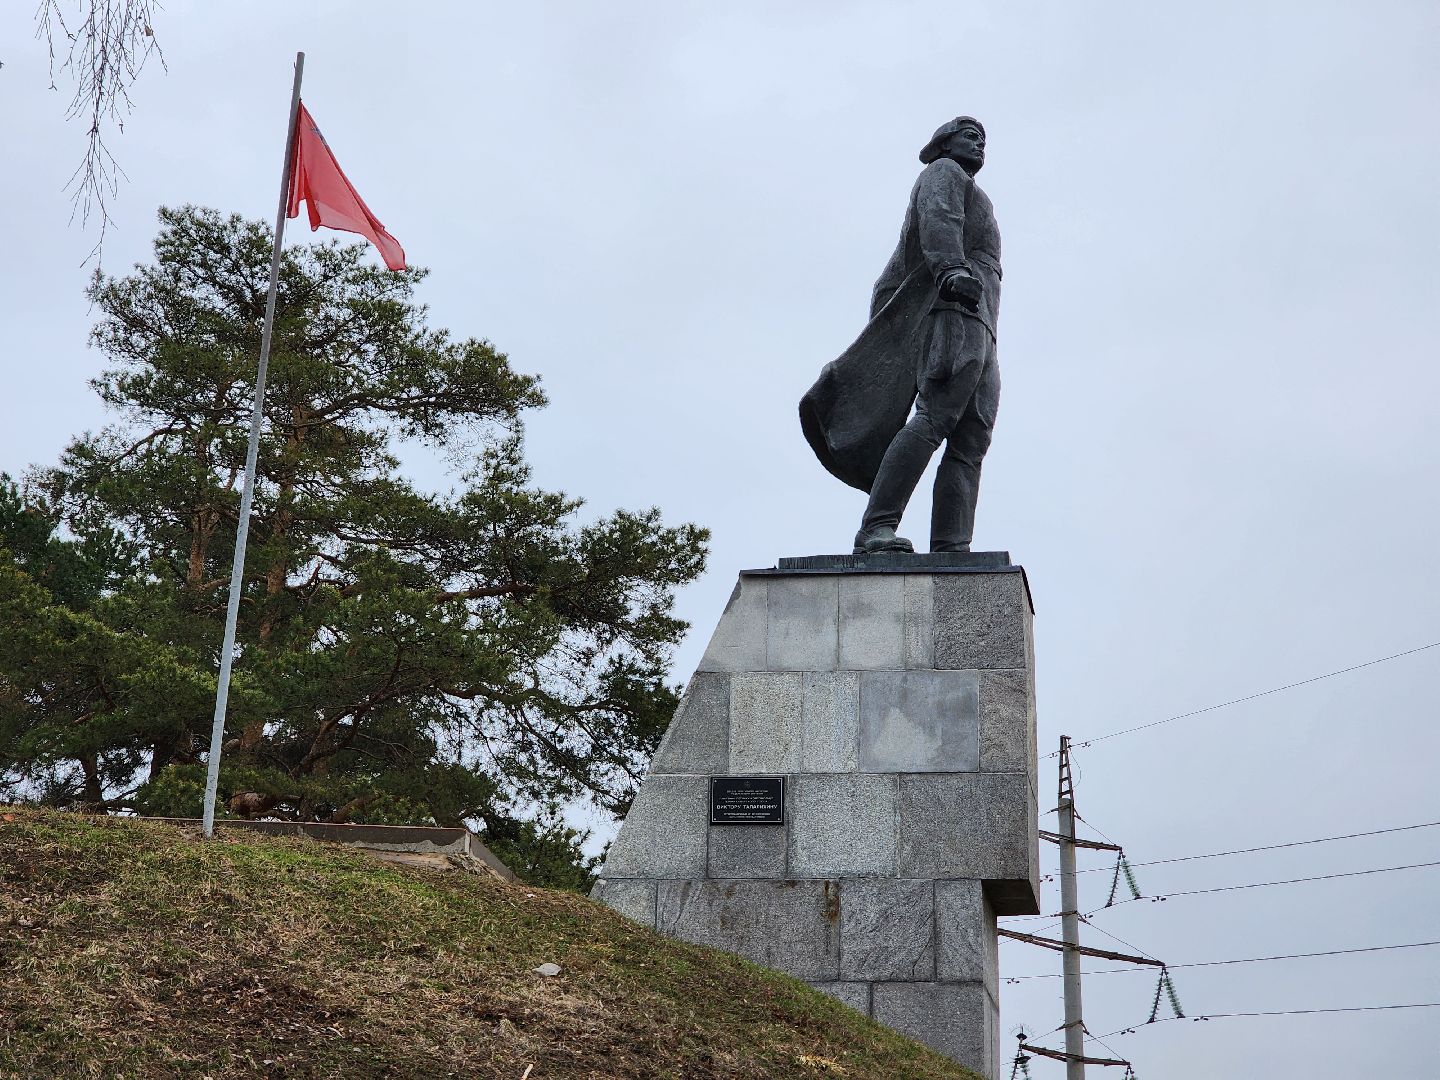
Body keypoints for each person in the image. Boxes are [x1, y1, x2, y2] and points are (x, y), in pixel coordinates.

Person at [799, 116, 1002, 554]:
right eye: (970, 135)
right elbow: (939, 220)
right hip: (953, 307)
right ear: (944, 143)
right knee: (934, 418)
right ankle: (876, 529)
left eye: (985, 138)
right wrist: (951, 270)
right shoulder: (942, 173)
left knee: (973, 436)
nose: (980, 143)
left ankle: (952, 546)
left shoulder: (979, 194)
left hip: (983, 324)